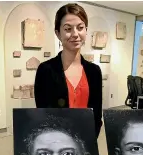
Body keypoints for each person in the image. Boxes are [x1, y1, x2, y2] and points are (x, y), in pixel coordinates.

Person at [33, 3, 103, 138]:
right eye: (68, 29)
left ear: (86, 30)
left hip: (85, 143)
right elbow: (43, 116)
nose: (75, 34)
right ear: (58, 33)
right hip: (56, 145)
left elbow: (96, 116)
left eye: (80, 28)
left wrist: (89, 143)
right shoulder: (46, 70)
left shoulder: (94, 71)